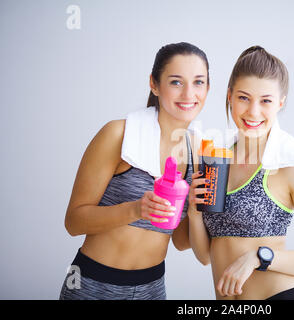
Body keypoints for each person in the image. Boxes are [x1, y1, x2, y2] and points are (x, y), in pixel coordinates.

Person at [59, 42, 210, 300]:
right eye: (176, 82)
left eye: (198, 82)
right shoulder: (118, 134)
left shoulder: (199, 150)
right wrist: (135, 209)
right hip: (93, 284)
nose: (189, 94)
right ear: (154, 84)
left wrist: (197, 210)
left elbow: (181, 242)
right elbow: (73, 222)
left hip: (152, 288)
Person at [187, 46, 294, 300]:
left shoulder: (291, 165)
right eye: (244, 98)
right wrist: (193, 211)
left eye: (265, 100)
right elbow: (205, 257)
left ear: (280, 103)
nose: (253, 111)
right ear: (230, 96)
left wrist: (259, 257)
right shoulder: (216, 161)